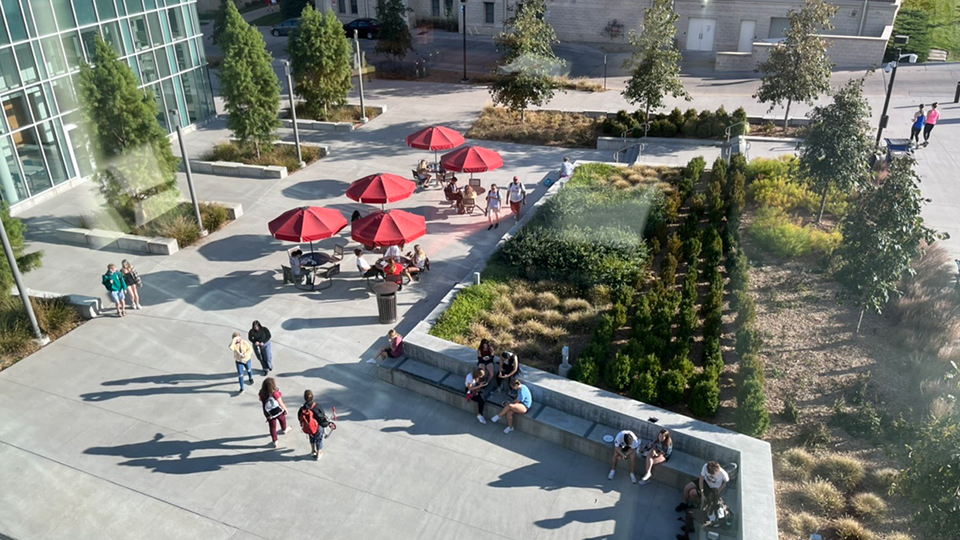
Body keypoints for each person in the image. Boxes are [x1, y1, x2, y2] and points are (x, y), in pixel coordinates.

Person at [298, 389, 329, 460]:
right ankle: (319, 453)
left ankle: (312, 450)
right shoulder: (316, 406)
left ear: (304, 398)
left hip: (308, 427)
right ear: (312, 397)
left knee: (311, 437)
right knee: (319, 439)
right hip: (317, 427)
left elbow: (299, 417)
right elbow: (322, 415)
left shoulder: (302, 408)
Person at [258, 377, 288, 447]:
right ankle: (284, 429)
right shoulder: (275, 393)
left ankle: (275, 441)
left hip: (268, 413)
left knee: (272, 427)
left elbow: (260, 399)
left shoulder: (261, 392)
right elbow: (281, 403)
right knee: (282, 419)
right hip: (278, 411)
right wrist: (285, 409)